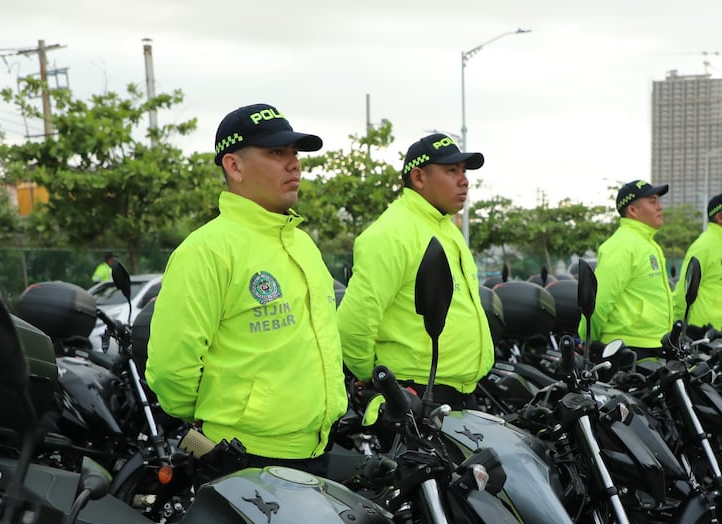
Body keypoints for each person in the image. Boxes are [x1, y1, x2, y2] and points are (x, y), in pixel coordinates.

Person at [145, 103, 345, 473]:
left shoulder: (303, 245)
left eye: (294, 153)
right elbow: (171, 369)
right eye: (276, 152)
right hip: (240, 457)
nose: (294, 164)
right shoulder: (205, 250)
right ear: (233, 166)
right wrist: (219, 419)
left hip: (315, 449)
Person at [338, 133, 492, 409]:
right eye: (451, 171)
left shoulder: (445, 227)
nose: (464, 180)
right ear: (419, 178)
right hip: (416, 396)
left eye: (464, 171)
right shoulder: (391, 233)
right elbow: (353, 325)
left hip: (454, 392)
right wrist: (377, 380)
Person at [576, 180, 673, 353]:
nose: (660, 207)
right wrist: (587, 338)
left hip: (652, 343)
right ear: (633, 210)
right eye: (652, 202)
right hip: (626, 347)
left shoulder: (646, 242)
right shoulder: (621, 245)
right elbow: (601, 299)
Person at [672, 192, 722, 331]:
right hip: (703, 331)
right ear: (719, 217)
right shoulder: (703, 246)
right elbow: (684, 291)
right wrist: (679, 328)